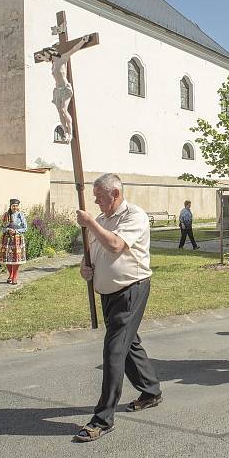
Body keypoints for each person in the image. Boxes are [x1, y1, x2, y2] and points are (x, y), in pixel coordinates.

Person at [73, 174, 162, 443]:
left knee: (114, 349)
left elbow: (114, 245)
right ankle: (151, 391)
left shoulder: (134, 216)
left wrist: (88, 223)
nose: (95, 200)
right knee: (128, 344)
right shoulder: (100, 221)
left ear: (115, 194)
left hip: (131, 290)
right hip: (109, 293)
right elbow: (93, 255)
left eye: (99, 195)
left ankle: (102, 419)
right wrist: (85, 268)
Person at [0, 199, 27, 284]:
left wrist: (16, 231)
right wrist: (8, 229)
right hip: (7, 239)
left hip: (17, 239)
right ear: (10, 206)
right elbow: (1, 228)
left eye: (16, 206)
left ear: (18, 206)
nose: (15, 207)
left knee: (16, 258)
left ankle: (14, 277)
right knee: (7, 258)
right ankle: (10, 274)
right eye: (13, 205)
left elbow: (25, 228)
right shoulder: (6, 215)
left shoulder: (21, 215)